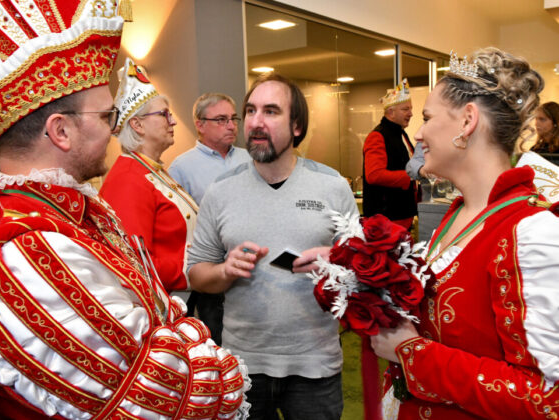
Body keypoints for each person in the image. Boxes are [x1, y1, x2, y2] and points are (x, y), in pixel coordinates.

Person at [0, 2, 249, 419]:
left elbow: (157, 310)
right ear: (60, 131)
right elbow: (174, 393)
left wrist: (167, 327)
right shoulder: (23, 254)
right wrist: (178, 332)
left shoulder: (70, 215)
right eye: (106, 115)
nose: (114, 128)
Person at [371, 48, 559, 419]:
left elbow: (546, 398)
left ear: (467, 121)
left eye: (426, 117)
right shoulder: (460, 211)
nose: (420, 133)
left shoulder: (532, 233)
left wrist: (412, 352)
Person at [187, 73, 359, 420]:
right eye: (250, 111)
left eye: (271, 111)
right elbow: (195, 274)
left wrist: (338, 260)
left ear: (297, 126)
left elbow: (365, 273)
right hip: (244, 366)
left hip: (315, 365)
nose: (256, 122)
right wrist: (224, 270)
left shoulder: (332, 186)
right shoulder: (220, 192)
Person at [100, 58, 198, 295]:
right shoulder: (128, 179)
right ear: (138, 125)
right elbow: (137, 263)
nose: (173, 121)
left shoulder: (150, 170)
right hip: (165, 301)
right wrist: (200, 272)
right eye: (164, 114)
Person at [168, 93, 250, 345]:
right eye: (221, 119)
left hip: (251, 265)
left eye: (233, 118)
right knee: (217, 339)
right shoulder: (181, 168)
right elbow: (177, 226)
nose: (231, 125)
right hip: (212, 271)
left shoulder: (250, 160)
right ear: (200, 124)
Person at [363, 78, 418, 230]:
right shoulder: (378, 136)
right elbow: (374, 175)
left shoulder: (401, 134)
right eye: (405, 109)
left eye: (410, 109)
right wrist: (411, 175)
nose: (411, 113)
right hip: (386, 218)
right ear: (391, 112)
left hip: (401, 215)